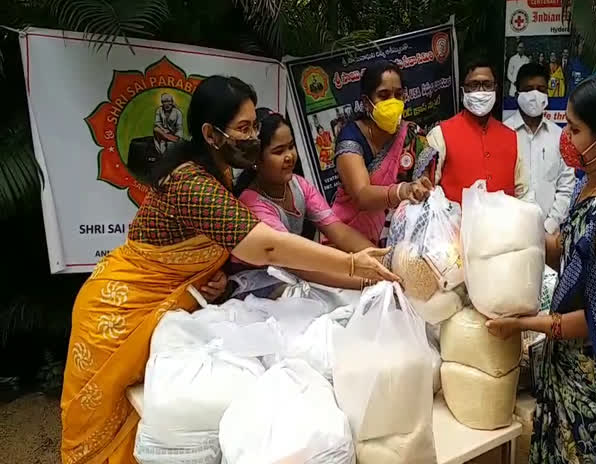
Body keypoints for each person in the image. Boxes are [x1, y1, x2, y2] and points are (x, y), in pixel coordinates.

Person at [60, 76, 397, 464]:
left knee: (161, 426)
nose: (254, 136)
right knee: (106, 428)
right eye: (244, 128)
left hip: (165, 310)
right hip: (118, 314)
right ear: (211, 133)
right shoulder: (192, 183)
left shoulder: (219, 176)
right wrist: (353, 263)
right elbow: (267, 245)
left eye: (255, 126)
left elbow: (201, 245)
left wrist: (212, 275)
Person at [487, 74, 596, 464]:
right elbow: (567, 255)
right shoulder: (593, 185)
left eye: (576, 128)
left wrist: (522, 324)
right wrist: (503, 233)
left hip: (595, 381)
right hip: (570, 368)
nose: (566, 136)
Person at [232, 109, 376, 293]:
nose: (289, 156)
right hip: (260, 286)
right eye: (278, 151)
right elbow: (296, 263)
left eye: (291, 146)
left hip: (295, 271)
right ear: (256, 160)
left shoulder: (298, 185)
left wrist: (381, 259)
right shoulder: (252, 203)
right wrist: (368, 280)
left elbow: (339, 231)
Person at [332, 61, 432, 245]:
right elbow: (361, 195)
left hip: (402, 235)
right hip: (351, 237)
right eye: (384, 96)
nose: (392, 102)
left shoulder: (411, 134)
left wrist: (420, 188)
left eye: (398, 95)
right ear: (366, 102)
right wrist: (401, 190)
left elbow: (423, 184)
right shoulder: (351, 137)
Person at [417, 58, 531, 205]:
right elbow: (426, 190)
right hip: (456, 226)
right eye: (474, 85)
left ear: (495, 88)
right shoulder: (440, 135)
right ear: (463, 90)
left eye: (487, 85)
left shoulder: (512, 137)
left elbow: (524, 193)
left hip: (504, 227)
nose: (481, 91)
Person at [504, 63, 576, 234]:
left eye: (541, 89)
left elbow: (566, 186)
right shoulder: (503, 134)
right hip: (510, 232)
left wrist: (551, 225)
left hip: (551, 234)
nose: (535, 95)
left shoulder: (559, 136)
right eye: (528, 89)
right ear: (517, 93)